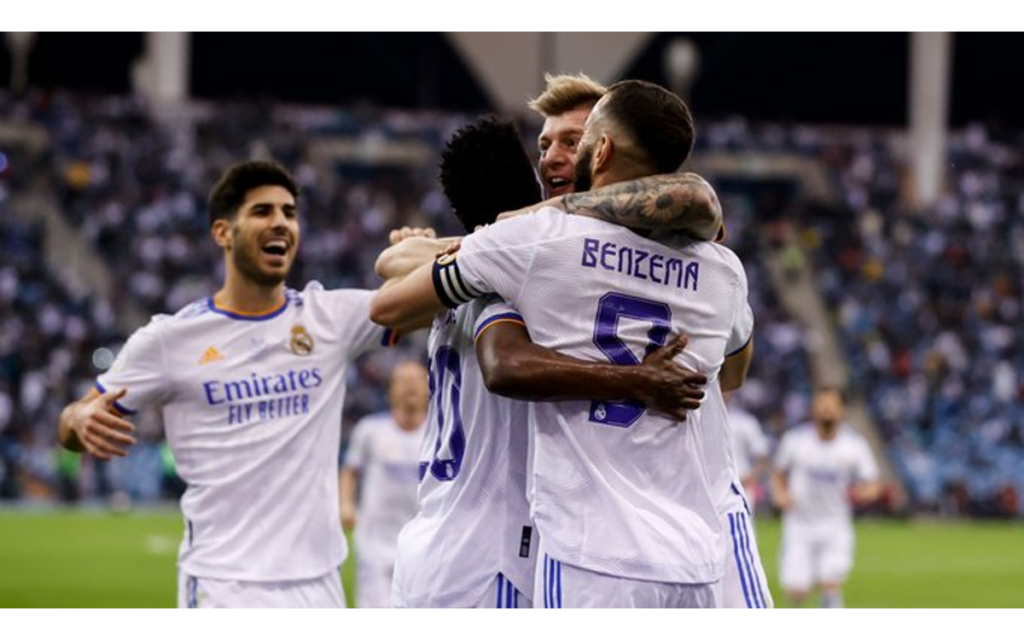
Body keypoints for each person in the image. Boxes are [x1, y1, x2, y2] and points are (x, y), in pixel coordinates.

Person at [372, 80, 755, 609]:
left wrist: (445, 244)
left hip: (593, 538)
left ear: (603, 148)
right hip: (542, 547)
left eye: (572, 141)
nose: (553, 157)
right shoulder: (539, 252)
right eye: (543, 146)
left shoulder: (536, 249)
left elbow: (393, 286)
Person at [58, 160, 399, 609]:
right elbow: (72, 421)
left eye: (289, 212)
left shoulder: (331, 317)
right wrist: (77, 418)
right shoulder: (169, 341)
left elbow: (426, 298)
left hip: (319, 585)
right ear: (223, 232)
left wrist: (415, 251)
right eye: (262, 211)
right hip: (225, 584)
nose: (280, 222)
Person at [771, 388, 881, 609]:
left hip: (835, 524)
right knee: (797, 593)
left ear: (842, 410)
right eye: (821, 404)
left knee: (831, 583)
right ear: (813, 409)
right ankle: (809, 578)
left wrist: (865, 493)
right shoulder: (795, 440)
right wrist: (780, 494)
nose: (826, 409)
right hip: (799, 525)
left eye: (832, 404)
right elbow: (778, 473)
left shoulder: (854, 445)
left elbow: (873, 483)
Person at [340, 362, 428, 609]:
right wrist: (347, 505)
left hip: (420, 540)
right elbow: (350, 471)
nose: (410, 385)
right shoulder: (370, 429)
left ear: (429, 388)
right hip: (374, 541)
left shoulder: (438, 433)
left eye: (417, 379)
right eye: (402, 379)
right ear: (390, 390)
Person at [726, 391, 771, 507]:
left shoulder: (745, 422)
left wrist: (750, 478)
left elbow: (763, 457)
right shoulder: (700, 418)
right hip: (711, 486)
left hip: (741, 485)